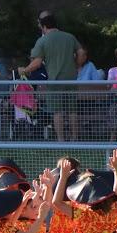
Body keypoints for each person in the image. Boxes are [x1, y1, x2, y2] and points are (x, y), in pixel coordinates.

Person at [18, 13, 80, 141]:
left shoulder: (43, 40)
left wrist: (24, 70)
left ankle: (61, 140)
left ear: (44, 25)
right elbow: (81, 52)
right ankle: (75, 139)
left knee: (58, 111)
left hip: (55, 81)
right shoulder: (69, 37)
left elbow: (37, 62)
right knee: (72, 110)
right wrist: (76, 66)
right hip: (71, 79)